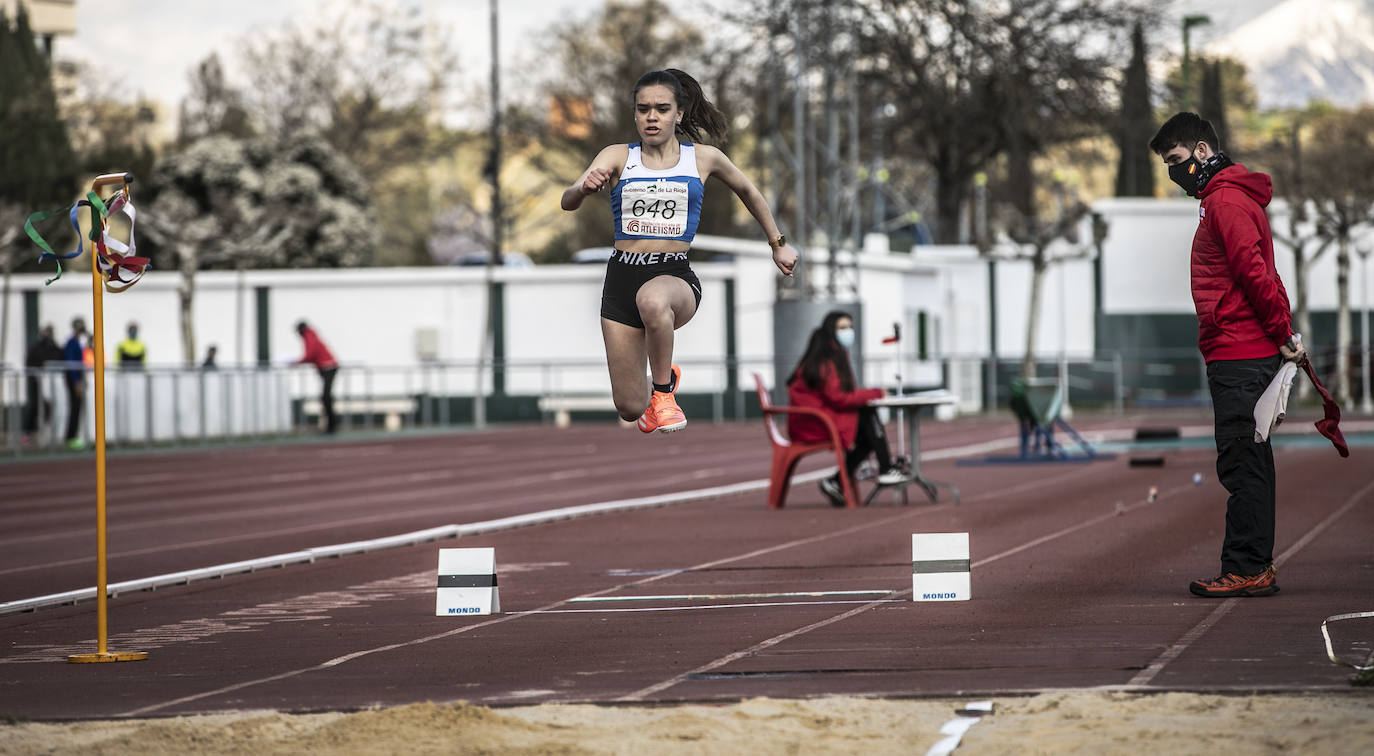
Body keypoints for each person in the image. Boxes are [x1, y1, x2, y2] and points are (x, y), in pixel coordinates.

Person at [561, 68, 797, 434]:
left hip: (674, 276)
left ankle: (664, 393)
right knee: (629, 407)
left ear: (679, 113)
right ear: (635, 114)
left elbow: (749, 191)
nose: (651, 117)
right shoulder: (616, 155)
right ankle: (661, 379)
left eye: (661, 108)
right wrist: (583, 188)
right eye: (643, 110)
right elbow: (567, 201)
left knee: (654, 301)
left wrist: (777, 244)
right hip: (622, 278)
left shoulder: (702, 158)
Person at [1149, 112, 1306, 598]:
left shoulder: (1226, 202)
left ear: (1200, 151)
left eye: (1176, 161)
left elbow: (1255, 274)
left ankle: (1248, 568)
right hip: (1240, 346)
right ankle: (1252, 564)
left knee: (1243, 462)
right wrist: (1284, 331)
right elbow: (1262, 272)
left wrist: (1282, 332)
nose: (1175, 174)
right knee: (1249, 459)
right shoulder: (1229, 199)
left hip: (1240, 351)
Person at [786, 311, 905, 507]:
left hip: (819, 417)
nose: (848, 332)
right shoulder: (825, 361)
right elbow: (839, 398)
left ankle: (837, 481)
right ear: (830, 331)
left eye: (849, 327)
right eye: (842, 328)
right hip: (813, 422)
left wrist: (871, 394)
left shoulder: (832, 356)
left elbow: (839, 395)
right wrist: (876, 393)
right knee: (867, 414)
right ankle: (886, 468)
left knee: (867, 433)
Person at [294, 321, 338, 434]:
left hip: (328, 368)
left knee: (326, 397)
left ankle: (331, 426)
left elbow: (311, 354)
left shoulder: (309, 336)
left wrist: (297, 362)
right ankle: (330, 425)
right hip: (326, 368)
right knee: (325, 397)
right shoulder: (311, 335)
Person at [22, 324, 64, 439]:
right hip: (37, 381)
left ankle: (46, 431)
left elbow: (59, 357)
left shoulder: (54, 347)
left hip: (51, 383)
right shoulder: (36, 348)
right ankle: (28, 432)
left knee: (50, 407)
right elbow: (31, 362)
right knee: (35, 405)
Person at [63, 317, 88, 449]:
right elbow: (71, 363)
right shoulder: (72, 342)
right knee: (75, 408)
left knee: (77, 408)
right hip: (73, 380)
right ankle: (71, 437)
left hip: (78, 379)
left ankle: (73, 436)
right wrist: (77, 382)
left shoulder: (79, 342)